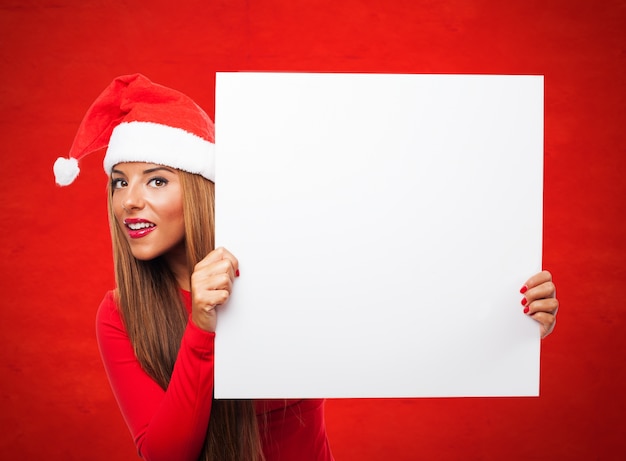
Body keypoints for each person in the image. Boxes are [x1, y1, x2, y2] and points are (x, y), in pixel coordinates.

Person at [53, 74, 558, 461]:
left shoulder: (285, 265)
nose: (129, 202)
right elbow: (165, 453)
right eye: (120, 182)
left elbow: (406, 303)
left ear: (201, 188)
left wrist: (509, 321)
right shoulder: (119, 314)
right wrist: (202, 326)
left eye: (156, 181)